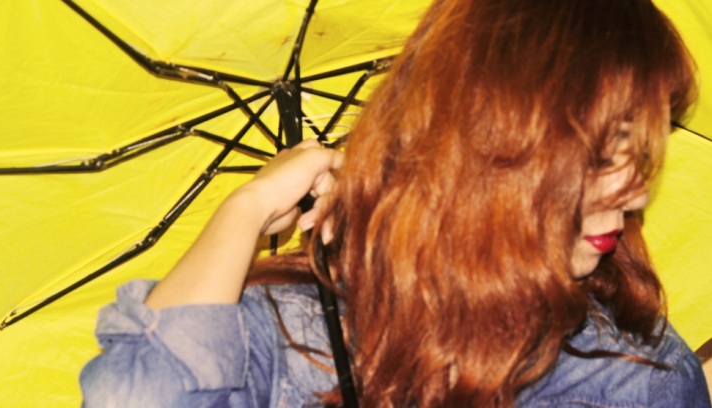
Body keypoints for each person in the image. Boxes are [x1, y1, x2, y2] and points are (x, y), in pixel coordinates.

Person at [80, 0, 711, 406]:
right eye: (605, 152)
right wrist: (245, 207)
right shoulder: (299, 337)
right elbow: (133, 397)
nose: (637, 191)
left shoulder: (633, 372)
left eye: (642, 150)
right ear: (492, 145)